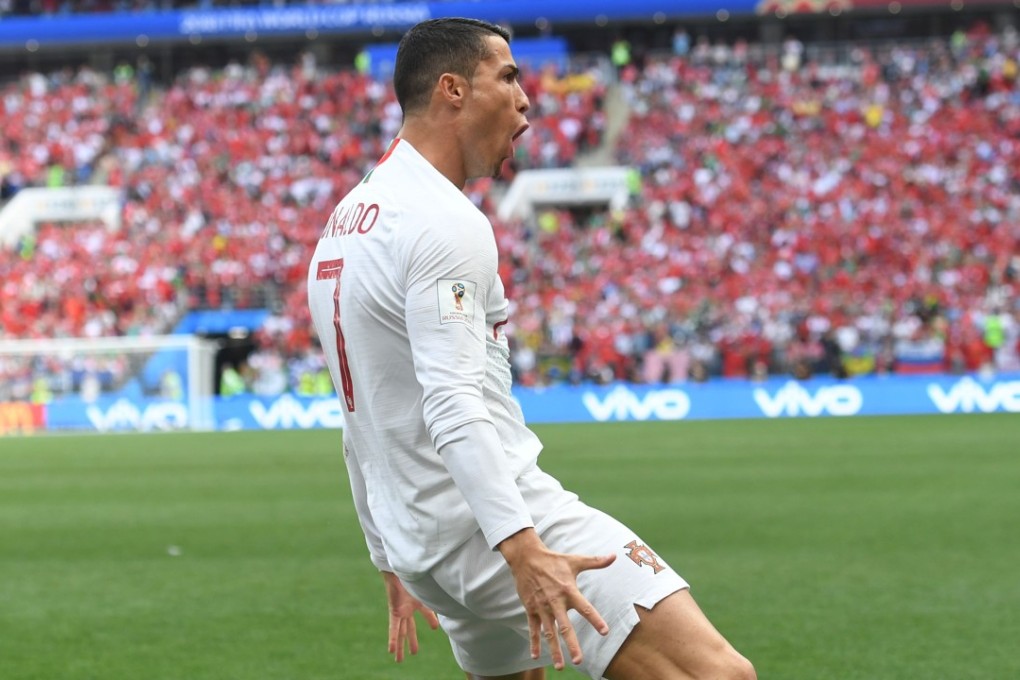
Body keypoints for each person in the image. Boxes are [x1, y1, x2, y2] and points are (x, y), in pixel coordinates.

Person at [307, 17, 755, 680]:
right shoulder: (443, 220)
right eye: (509, 77)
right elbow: (453, 402)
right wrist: (522, 547)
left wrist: (388, 556)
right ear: (453, 91)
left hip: (424, 545)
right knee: (716, 675)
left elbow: (360, 417)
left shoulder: (344, 225)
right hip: (494, 526)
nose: (526, 100)